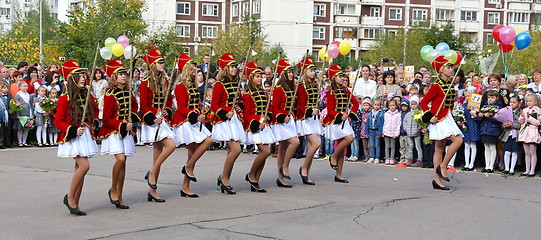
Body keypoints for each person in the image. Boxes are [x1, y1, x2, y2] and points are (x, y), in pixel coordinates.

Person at [56, 60, 99, 215]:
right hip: (73, 136)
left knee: (79, 169)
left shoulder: (87, 96)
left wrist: (94, 122)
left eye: (83, 75)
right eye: (79, 75)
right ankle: (70, 198)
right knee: (84, 166)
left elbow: (95, 111)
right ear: (71, 78)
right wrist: (72, 130)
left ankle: (75, 202)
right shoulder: (64, 99)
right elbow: (58, 121)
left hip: (85, 135)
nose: (83, 78)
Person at [98, 58, 140, 209]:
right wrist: (121, 124)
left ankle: (120, 195)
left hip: (126, 130)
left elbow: (134, 107)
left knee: (124, 163)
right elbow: (106, 119)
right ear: (114, 77)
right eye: (120, 74)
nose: (124, 76)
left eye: (125, 74)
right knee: (120, 159)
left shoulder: (129, 93)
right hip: (114, 131)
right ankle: (113, 188)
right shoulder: (110, 94)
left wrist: (132, 118)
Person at [171, 53, 212, 197]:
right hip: (185, 120)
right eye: (193, 69)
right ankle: (188, 168)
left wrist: (201, 112)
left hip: (194, 119)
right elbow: (182, 108)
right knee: (207, 140)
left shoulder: (193, 86)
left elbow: (196, 104)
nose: (195, 71)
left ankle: (185, 186)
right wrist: (195, 115)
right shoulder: (180, 87)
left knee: (193, 152)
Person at [420, 56, 463, 190]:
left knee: (439, 148)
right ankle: (443, 166)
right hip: (438, 118)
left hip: (447, 116)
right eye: (448, 67)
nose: (451, 70)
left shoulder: (450, 85)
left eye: (452, 67)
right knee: (458, 140)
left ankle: (436, 180)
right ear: (440, 70)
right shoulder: (436, 86)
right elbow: (424, 102)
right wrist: (429, 116)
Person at [140, 48, 176, 202]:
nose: (163, 64)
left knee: (157, 156)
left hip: (162, 119)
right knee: (171, 145)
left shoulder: (165, 81)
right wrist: (153, 117)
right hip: (152, 121)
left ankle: (152, 189)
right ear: (153, 64)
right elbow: (144, 104)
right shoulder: (145, 82)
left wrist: (166, 111)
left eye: (163, 62)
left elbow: (168, 100)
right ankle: (153, 173)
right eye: (160, 62)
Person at [211, 53, 246, 194]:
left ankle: (225, 179)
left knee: (232, 151)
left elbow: (239, 101)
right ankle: (224, 177)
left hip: (234, 120)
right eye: (231, 67)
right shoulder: (219, 85)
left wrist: (238, 107)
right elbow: (214, 105)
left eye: (235, 67)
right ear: (225, 68)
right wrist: (225, 112)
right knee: (236, 150)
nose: (234, 69)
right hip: (224, 120)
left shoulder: (237, 83)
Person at [241, 61, 275, 192]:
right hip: (254, 125)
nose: (260, 78)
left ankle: (255, 181)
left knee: (265, 153)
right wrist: (256, 123)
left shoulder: (265, 92)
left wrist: (268, 116)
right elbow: (247, 114)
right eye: (257, 76)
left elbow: (269, 108)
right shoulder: (248, 94)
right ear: (251, 78)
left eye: (261, 76)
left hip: (264, 124)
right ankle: (251, 175)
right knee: (265, 151)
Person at [323, 64, 359, 183]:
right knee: (349, 139)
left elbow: (355, 103)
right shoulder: (331, 92)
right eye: (339, 76)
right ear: (334, 78)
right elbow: (330, 109)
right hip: (335, 121)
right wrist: (339, 115)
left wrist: (351, 113)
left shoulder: (346, 90)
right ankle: (333, 156)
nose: (342, 78)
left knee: (343, 145)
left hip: (344, 120)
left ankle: (338, 174)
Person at [270, 59, 300, 188]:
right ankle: (285, 167)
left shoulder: (292, 87)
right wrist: (282, 117)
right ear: (283, 74)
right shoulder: (278, 89)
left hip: (290, 120)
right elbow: (274, 107)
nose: (291, 74)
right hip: (281, 121)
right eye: (288, 72)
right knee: (295, 142)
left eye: (292, 72)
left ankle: (280, 177)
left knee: (282, 149)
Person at [295, 57, 322, 185]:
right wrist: (310, 110)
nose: (313, 72)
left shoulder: (315, 84)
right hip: (305, 117)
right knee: (316, 144)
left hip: (314, 118)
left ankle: (306, 172)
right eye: (311, 70)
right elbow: (300, 105)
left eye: (314, 70)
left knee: (312, 146)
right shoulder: (301, 86)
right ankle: (304, 169)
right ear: (304, 71)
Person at [476, 90, 502, 173]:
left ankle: (491, 166)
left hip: (493, 129)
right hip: (485, 129)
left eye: (492, 97)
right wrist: (480, 116)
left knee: (492, 147)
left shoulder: (499, 107)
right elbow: (480, 119)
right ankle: (487, 165)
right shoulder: (484, 106)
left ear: (497, 98)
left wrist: (489, 117)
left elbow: (498, 120)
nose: (490, 99)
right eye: (489, 97)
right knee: (486, 147)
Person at [518, 94, 541, 177]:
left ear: (535, 102)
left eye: (530, 101)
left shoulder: (538, 110)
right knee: (526, 153)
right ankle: (527, 170)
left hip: (533, 132)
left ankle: (532, 170)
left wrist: (530, 118)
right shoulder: (524, 110)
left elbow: (538, 123)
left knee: (532, 152)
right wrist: (522, 117)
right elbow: (521, 122)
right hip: (525, 133)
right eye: (527, 101)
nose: (528, 103)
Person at [461, 87, 481, 171]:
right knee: (466, 144)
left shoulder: (475, 104)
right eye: (467, 92)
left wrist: (475, 115)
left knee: (473, 144)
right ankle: (466, 163)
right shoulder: (463, 104)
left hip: (473, 124)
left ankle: (471, 163)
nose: (469, 94)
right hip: (465, 124)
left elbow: (479, 118)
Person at [501, 96, 521, 175]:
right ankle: (506, 168)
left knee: (514, 152)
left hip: (515, 134)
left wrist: (512, 124)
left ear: (518, 103)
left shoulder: (520, 112)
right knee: (507, 151)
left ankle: (512, 169)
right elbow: (502, 123)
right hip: (508, 133)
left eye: (514, 102)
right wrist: (505, 124)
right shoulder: (506, 111)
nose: (512, 104)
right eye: (511, 102)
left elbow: (520, 124)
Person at [403, 96, 423, 167]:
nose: (413, 106)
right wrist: (406, 129)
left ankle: (419, 159)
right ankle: (410, 159)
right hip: (409, 133)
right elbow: (404, 122)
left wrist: (418, 129)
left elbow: (421, 123)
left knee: (418, 147)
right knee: (410, 146)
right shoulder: (408, 114)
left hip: (417, 133)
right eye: (412, 104)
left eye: (415, 104)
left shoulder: (419, 113)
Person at [14, 81, 33, 147]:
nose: (25, 87)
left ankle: (24, 141)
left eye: (26, 86)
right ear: (19, 87)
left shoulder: (28, 95)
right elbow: (16, 106)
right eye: (24, 86)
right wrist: (17, 114)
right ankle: (20, 142)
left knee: (26, 128)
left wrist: (32, 113)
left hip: (28, 113)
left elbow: (31, 105)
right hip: (21, 114)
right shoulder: (18, 95)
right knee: (20, 129)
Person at [382, 99, 401, 165]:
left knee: (392, 146)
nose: (392, 107)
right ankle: (387, 158)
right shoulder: (386, 114)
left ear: (396, 106)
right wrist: (383, 132)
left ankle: (392, 158)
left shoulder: (398, 114)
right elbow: (384, 123)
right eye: (390, 105)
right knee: (387, 146)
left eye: (393, 105)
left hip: (393, 133)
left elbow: (399, 124)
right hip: (387, 132)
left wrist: (397, 133)